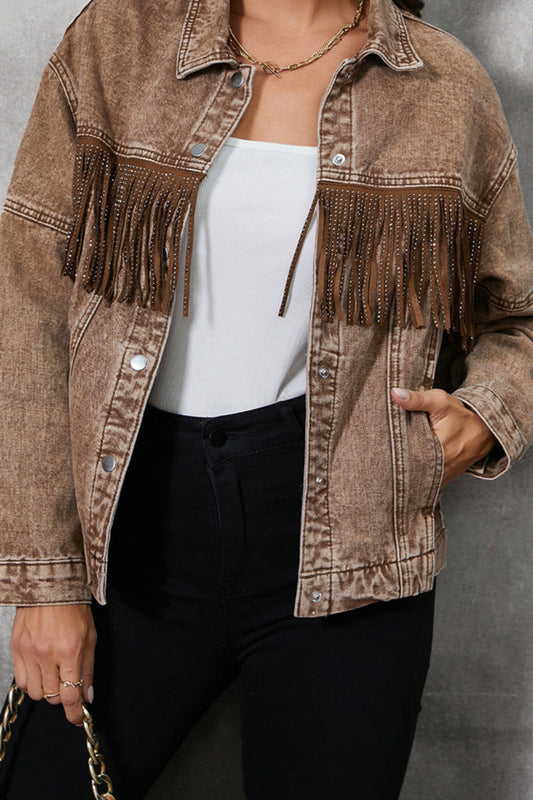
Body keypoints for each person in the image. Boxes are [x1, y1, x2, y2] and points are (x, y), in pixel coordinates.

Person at [0, 0, 532, 798]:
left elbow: (516, 317)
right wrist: (46, 585)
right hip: (131, 524)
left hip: (353, 542)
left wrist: (483, 415)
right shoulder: (119, 38)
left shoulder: (443, 85)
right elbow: (28, 306)